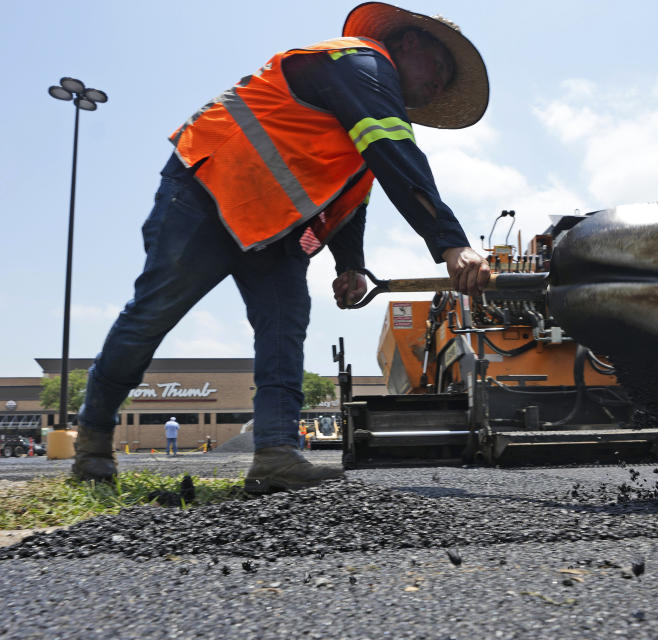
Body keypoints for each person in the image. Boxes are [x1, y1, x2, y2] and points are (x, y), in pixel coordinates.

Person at [70, 2, 491, 493]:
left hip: (274, 230)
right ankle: (93, 441)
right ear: (410, 43)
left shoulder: (376, 105)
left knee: (284, 331)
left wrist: (350, 263)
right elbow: (393, 157)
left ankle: (275, 454)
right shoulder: (358, 61)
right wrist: (451, 243)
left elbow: (354, 192)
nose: (438, 86)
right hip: (208, 191)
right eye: (439, 69)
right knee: (152, 313)